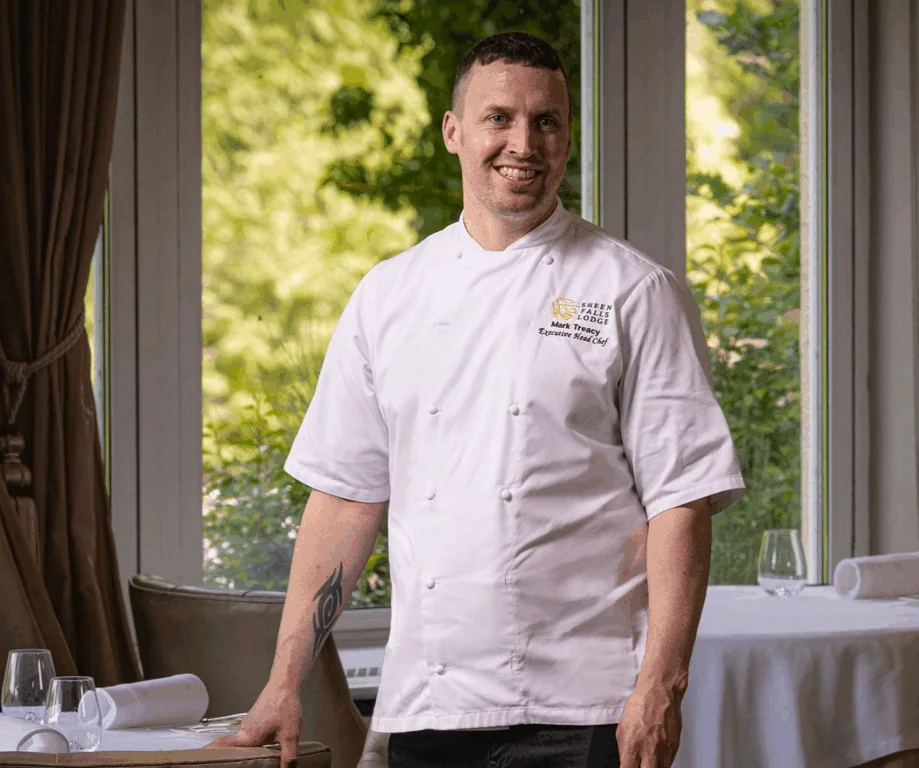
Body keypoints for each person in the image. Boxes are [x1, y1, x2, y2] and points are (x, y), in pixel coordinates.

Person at [207, 31, 745, 768]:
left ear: (565, 137)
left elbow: (679, 500)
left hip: (586, 709)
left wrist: (661, 688)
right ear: (453, 132)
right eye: (499, 118)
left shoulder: (633, 292)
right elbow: (345, 499)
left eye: (546, 121)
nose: (523, 143)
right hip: (428, 706)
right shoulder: (388, 295)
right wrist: (282, 681)